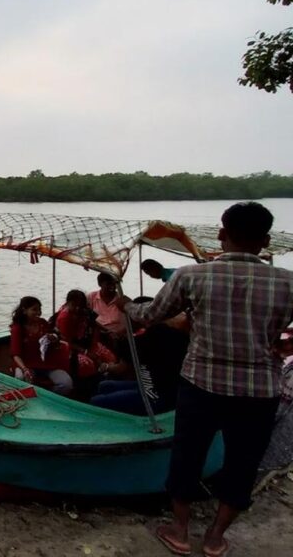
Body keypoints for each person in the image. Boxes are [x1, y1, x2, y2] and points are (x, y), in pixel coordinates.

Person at [118, 202, 293, 557]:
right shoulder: (287, 282)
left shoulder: (191, 276)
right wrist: (280, 343)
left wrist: (125, 305)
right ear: (265, 241)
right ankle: (215, 538)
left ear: (221, 235)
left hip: (202, 384)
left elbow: (150, 315)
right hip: (259, 390)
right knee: (243, 463)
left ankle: (180, 531)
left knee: (187, 456)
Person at [90, 311, 190, 415]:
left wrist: (106, 366)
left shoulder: (157, 334)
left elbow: (122, 368)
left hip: (154, 397)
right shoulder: (159, 333)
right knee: (104, 385)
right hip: (150, 386)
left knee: (96, 401)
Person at [9, 296, 72, 395]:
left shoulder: (43, 323)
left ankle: (48, 398)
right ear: (24, 310)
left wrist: (54, 339)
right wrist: (25, 369)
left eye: (40, 309)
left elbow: (56, 340)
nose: (38, 313)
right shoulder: (18, 328)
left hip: (48, 365)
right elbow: (16, 355)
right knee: (21, 379)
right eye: (34, 310)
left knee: (66, 384)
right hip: (26, 364)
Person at [55, 289, 120, 378]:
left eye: (80, 306)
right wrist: (86, 352)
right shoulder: (64, 318)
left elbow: (93, 322)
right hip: (72, 348)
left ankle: (106, 378)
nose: (77, 308)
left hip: (89, 344)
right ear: (68, 303)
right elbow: (67, 341)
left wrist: (108, 331)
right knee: (87, 364)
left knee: (111, 358)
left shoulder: (84, 311)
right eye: (74, 305)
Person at [87, 272, 126, 339]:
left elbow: (131, 323)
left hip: (119, 338)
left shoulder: (122, 300)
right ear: (100, 284)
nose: (112, 287)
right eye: (109, 284)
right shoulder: (91, 297)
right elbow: (87, 318)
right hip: (98, 336)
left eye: (114, 284)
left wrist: (118, 334)